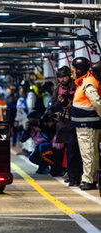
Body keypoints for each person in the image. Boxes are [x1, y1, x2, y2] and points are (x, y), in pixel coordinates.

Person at [71, 57, 101, 190]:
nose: (72, 73)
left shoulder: (88, 83)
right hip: (84, 126)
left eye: (73, 70)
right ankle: (89, 179)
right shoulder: (83, 82)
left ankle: (89, 181)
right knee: (88, 152)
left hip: (87, 126)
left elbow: (97, 103)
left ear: (79, 70)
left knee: (88, 152)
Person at [51, 66, 82, 186]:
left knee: (75, 151)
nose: (62, 79)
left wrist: (71, 104)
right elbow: (53, 106)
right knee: (69, 151)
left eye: (64, 77)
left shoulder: (76, 85)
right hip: (64, 123)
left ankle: (75, 176)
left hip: (76, 121)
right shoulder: (58, 88)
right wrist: (60, 102)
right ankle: (72, 175)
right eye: (60, 77)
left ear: (69, 75)